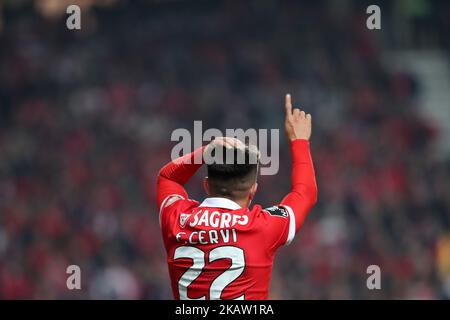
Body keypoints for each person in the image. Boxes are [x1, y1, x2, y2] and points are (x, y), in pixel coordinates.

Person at [156, 94, 318, 299]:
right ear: (253, 191)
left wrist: (206, 151)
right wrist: (299, 141)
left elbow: (167, 178)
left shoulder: (176, 219)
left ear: (206, 185)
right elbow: (305, 192)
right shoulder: (263, 227)